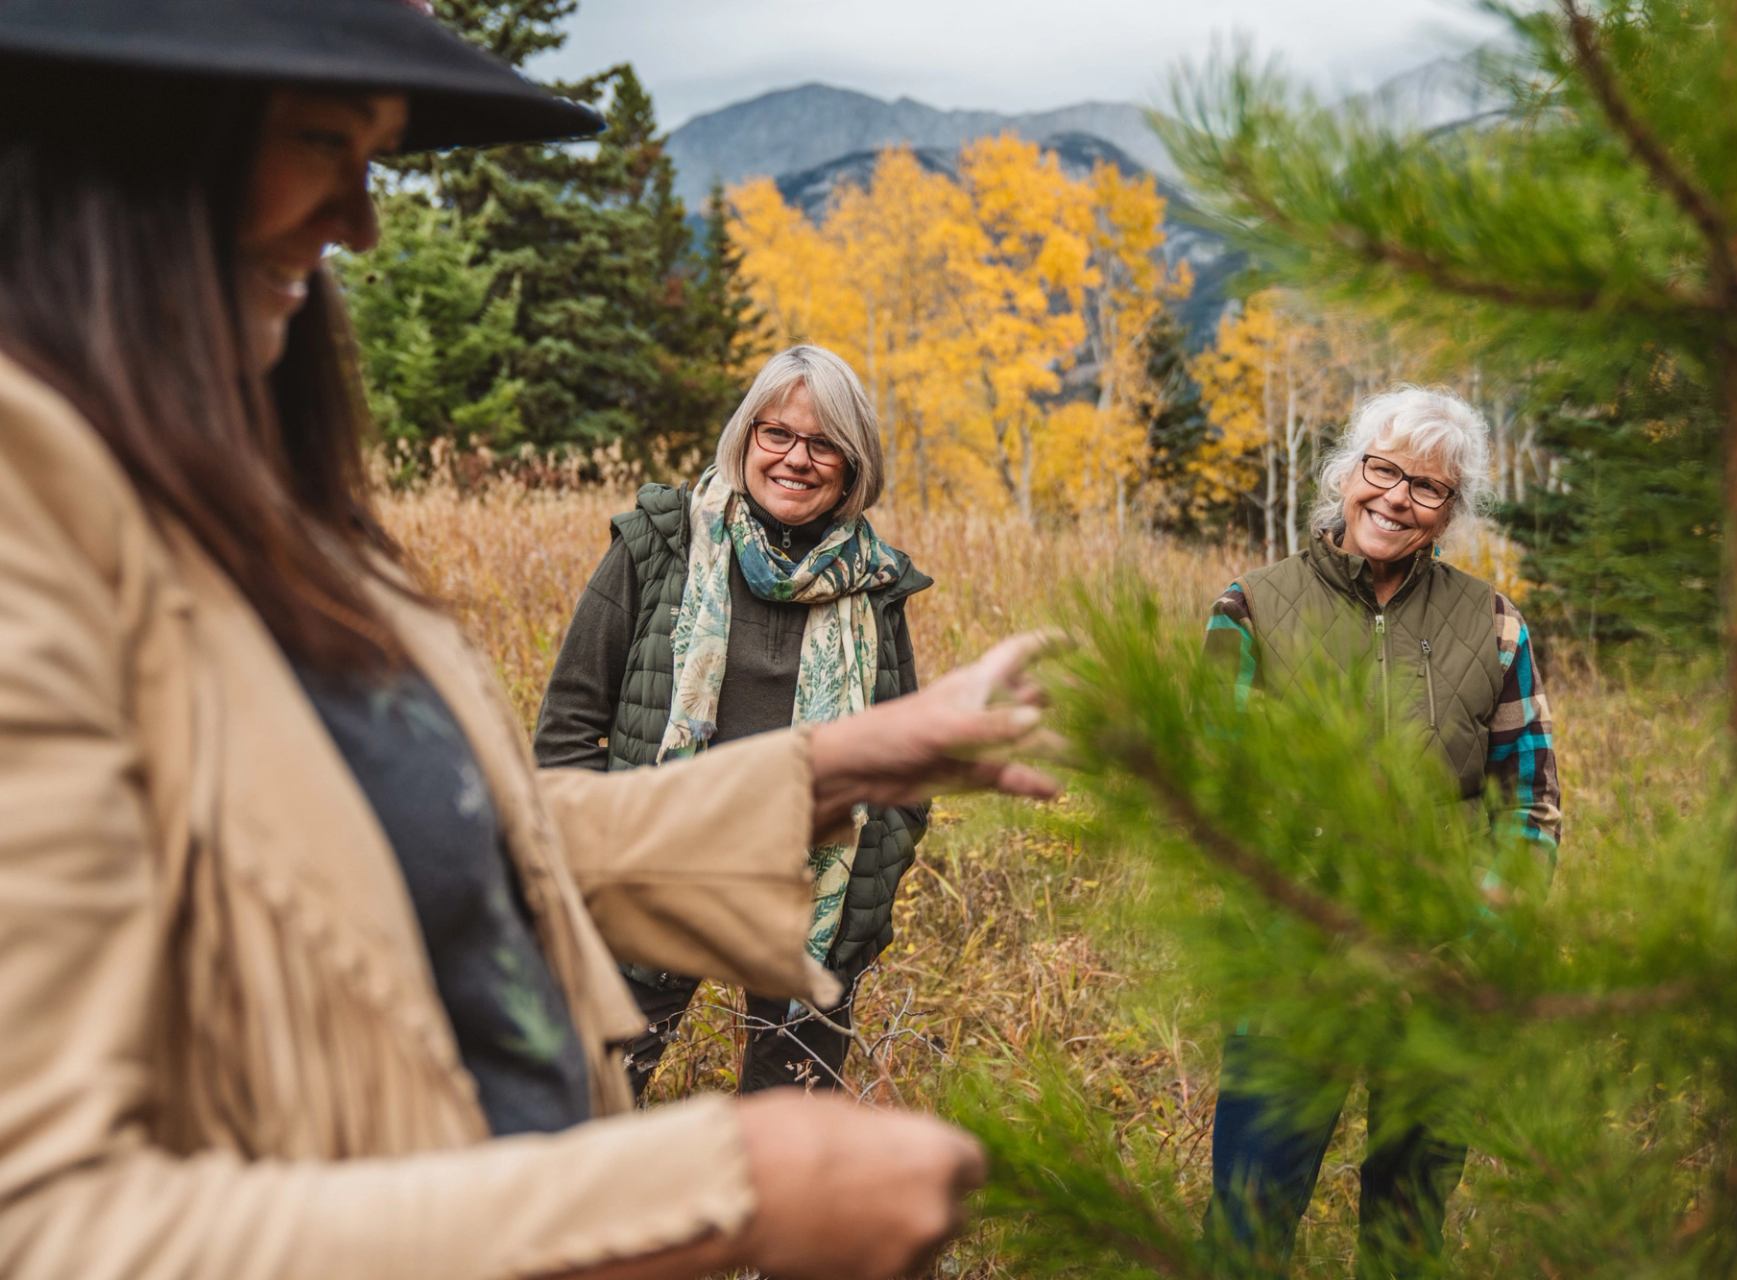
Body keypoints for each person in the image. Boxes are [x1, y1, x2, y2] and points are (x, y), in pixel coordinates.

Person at [0, 4, 1058, 1278]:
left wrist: (836, 765)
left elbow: (421, 846)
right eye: (323, 137)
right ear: (122, 136)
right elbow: (47, 1225)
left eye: (376, 155)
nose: (361, 220)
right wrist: (722, 1192)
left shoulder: (242, 494)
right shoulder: (30, 530)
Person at [1203, 386, 1562, 1275]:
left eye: (1428, 488)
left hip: (1443, 964)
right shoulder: (1249, 608)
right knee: (1248, 1218)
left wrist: (1476, 936)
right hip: (1296, 969)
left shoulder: (1495, 622)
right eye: (1384, 470)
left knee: (1407, 1227)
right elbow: (1218, 800)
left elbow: (1530, 803)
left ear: (1449, 513)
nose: (1398, 497)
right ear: (1348, 473)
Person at [536, 345, 930, 1098]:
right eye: (775, 433)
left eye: (824, 444)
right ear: (746, 436)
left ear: (854, 466)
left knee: (786, 1153)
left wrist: (863, 902)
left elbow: (900, 774)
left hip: (806, 909)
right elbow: (566, 728)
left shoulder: (874, 587)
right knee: (584, 1109)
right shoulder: (661, 541)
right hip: (653, 882)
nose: (795, 458)